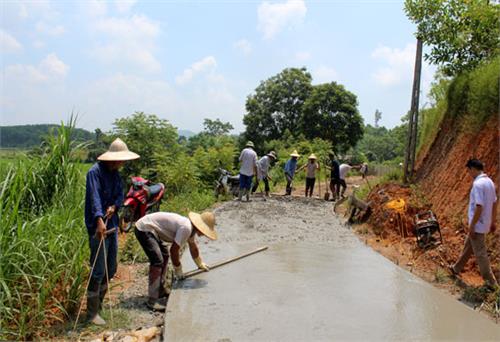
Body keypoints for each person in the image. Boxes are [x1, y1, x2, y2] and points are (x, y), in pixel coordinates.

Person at [85, 138, 139, 325]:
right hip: (98, 227)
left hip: (112, 225)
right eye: (120, 160)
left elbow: (119, 195)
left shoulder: (115, 174)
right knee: (98, 269)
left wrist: (114, 207)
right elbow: (94, 199)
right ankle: (91, 314)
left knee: (111, 267)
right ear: (112, 159)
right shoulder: (94, 173)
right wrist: (100, 219)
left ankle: (99, 307)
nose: (122, 163)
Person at [135, 211, 217, 311]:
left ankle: (160, 289)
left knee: (164, 255)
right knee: (157, 261)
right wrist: (178, 269)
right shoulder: (186, 228)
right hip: (144, 228)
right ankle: (152, 300)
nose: (204, 234)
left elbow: (193, 247)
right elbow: (174, 250)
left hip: (152, 229)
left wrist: (199, 263)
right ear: (201, 227)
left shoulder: (191, 230)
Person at [449, 159, 498, 288]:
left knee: (480, 254)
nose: (469, 173)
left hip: (477, 225)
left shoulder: (478, 184)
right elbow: (494, 203)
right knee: (468, 246)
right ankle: (456, 268)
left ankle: (492, 284)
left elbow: (479, 206)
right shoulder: (490, 183)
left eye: (469, 170)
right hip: (485, 223)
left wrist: (472, 226)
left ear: (473, 169)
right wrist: (493, 221)